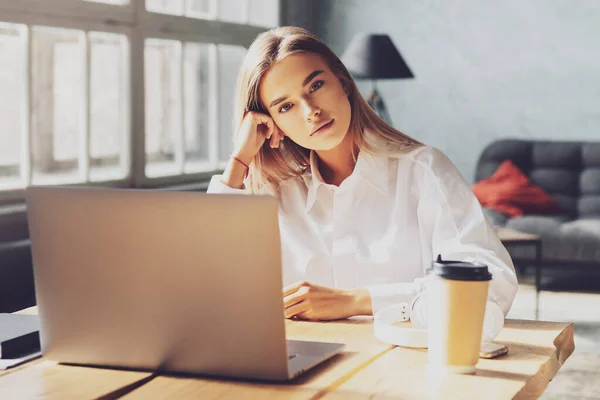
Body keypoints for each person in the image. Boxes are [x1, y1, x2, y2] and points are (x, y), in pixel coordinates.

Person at [207, 26, 518, 338]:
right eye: (285, 106)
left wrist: (358, 301)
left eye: (315, 85)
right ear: (273, 123)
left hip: (407, 368)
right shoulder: (273, 194)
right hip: (301, 370)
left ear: (343, 82)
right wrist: (239, 160)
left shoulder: (422, 170)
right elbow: (208, 288)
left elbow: (488, 284)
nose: (311, 112)